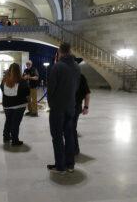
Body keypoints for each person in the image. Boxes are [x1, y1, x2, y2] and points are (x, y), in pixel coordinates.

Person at [47, 43, 81, 174]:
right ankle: (70, 165)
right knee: (69, 136)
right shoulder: (77, 67)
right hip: (70, 106)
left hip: (58, 108)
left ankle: (60, 167)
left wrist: (51, 104)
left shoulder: (57, 67)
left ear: (59, 52)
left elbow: (51, 89)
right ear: (70, 51)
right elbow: (77, 86)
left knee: (57, 137)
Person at [1, 63, 30, 146]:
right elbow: (27, 93)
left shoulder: (4, 80)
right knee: (15, 123)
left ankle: (6, 136)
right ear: (19, 71)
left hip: (7, 105)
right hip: (19, 105)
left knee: (8, 121)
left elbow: (1, 88)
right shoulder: (22, 81)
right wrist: (29, 103)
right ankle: (15, 140)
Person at [74, 58, 91, 155]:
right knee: (70, 128)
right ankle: (72, 147)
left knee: (71, 128)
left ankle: (75, 149)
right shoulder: (80, 77)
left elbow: (87, 93)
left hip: (75, 107)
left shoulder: (81, 78)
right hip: (69, 107)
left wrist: (86, 107)